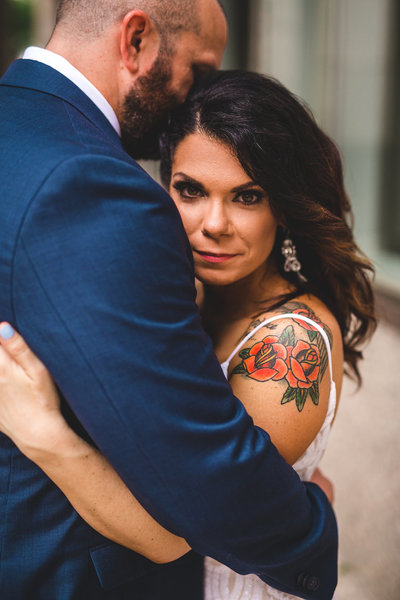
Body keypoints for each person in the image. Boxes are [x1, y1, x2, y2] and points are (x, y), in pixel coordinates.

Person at [0, 63, 375, 600]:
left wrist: (42, 435)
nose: (214, 223)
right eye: (190, 190)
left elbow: (172, 535)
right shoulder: (185, 297)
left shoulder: (291, 341)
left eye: (247, 196)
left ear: (285, 209)